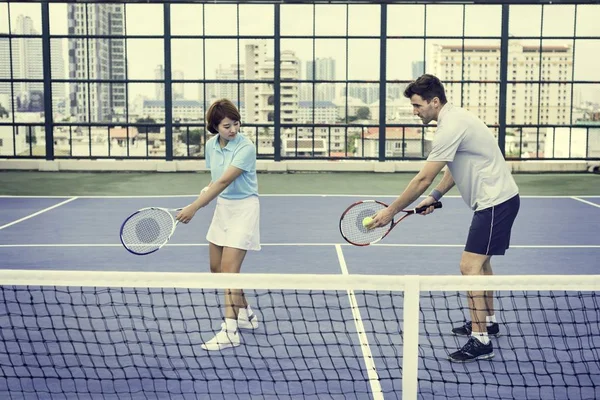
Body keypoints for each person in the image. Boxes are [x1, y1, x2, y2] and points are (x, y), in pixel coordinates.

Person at [368, 74, 520, 362]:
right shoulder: (455, 119)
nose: (414, 112)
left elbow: (423, 177)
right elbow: (453, 166)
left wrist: (391, 211)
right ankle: (487, 322)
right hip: (499, 200)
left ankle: (481, 340)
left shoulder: (450, 126)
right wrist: (435, 197)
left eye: (417, 106)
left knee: (469, 266)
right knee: (483, 263)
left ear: (434, 101)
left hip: (495, 202)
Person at [176, 99, 261, 351]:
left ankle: (230, 331)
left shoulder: (246, 147)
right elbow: (216, 180)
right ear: (214, 127)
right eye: (226, 125)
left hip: (244, 209)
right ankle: (246, 314)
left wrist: (195, 206)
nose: (233, 129)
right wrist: (206, 191)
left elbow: (224, 181)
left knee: (229, 271)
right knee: (216, 269)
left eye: (236, 124)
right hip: (223, 207)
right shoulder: (211, 146)